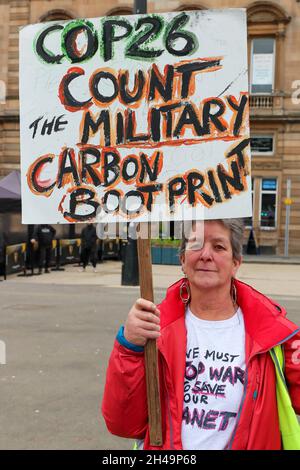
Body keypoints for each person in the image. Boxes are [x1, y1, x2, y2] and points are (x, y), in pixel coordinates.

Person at [102, 219, 300, 450]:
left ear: (236, 263)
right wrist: (129, 347)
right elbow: (122, 423)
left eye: (218, 247)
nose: (206, 255)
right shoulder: (154, 328)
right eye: (195, 245)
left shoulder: (273, 334)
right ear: (183, 260)